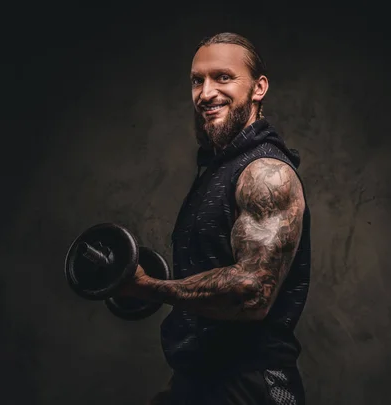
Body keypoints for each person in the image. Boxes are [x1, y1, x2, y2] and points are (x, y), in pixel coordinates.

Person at [119, 32, 311, 404]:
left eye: (223, 77)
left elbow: (252, 292)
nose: (206, 93)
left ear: (258, 88)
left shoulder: (266, 173)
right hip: (198, 381)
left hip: (251, 386)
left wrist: (150, 287)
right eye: (197, 80)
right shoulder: (217, 168)